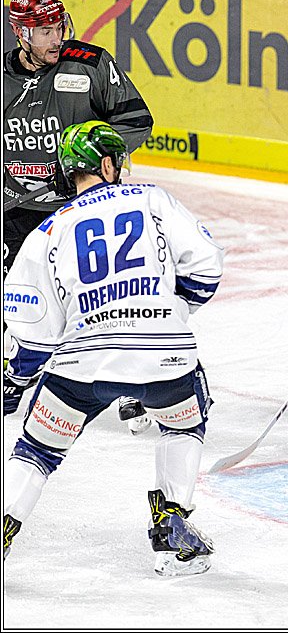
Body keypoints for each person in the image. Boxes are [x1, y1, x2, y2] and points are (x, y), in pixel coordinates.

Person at [2, 121, 224, 576]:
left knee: (37, 451)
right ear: (107, 164)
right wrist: (169, 311)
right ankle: (171, 527)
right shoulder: (153, 199)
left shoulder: (49, 230)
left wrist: (17, 379)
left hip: (83, 364)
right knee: (184, 424)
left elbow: (32, 325)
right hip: (164, 357)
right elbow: (207, 266)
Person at [3, 0, 153, 280]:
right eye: (46, 31)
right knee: (16, 302)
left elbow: (136, 121)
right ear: (20, 32)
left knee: (84, 297)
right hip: (16, 217)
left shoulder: (90, 64)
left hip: (84, 210)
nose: (56, 39)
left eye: (59, 27)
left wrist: (85, 162)